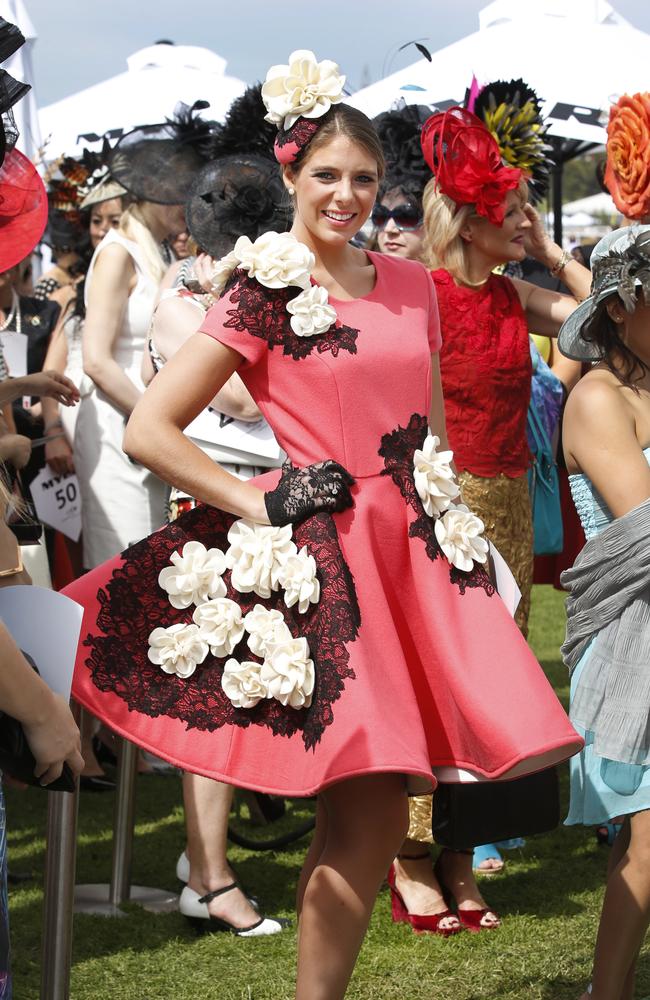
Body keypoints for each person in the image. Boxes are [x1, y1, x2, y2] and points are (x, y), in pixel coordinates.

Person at [67, 51, 582, 999]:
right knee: (370, 810)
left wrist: (461, 546)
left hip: (418, 556)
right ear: (291, 175)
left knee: (382, 814)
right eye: (326, 177)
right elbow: (150, 427)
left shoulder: (413, 285)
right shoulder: (260, 286)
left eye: (364, 180)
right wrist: (261, 498)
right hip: (331, 568)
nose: (346, 196)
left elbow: (424, 432)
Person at [147, 85, 287, 935]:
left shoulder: (263, 293)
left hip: (272, 507)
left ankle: (206, 858)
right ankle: (208, 875)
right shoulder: (179, 300)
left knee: (250, 685)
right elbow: (235, 397)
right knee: (216, 692)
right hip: (210, 507)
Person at [372, 103, 501, 930]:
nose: (380, 222)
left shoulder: (448, 290)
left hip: (475, 504)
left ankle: (462, 851)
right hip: (387, 507)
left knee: (484, 687)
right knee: (413, 689)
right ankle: (407, 856)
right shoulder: (388, 297)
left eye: (388, 204)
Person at [559, 225, 650, 1000]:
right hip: (633, 640)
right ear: (622, 306)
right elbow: (644, 528)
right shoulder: (596, 398)